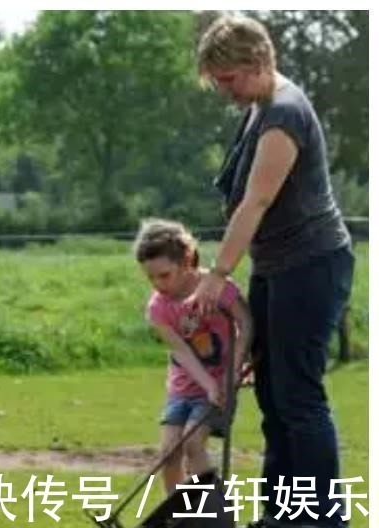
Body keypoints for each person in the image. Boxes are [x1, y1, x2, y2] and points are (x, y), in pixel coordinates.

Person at [191, 14, 355, 526]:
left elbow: (256, 202)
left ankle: (321, 518)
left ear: (257, 61)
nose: (226, 92)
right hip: (277, 267)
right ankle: (283, 513)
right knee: (271, 393)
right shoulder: (259, 108)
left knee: (298, 396)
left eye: (229, 79)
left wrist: (217, 274)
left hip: (310, 266)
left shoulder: (284, 112)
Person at [134, 218, 252, 494]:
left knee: (193, 445)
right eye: (150, 277)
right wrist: (207, 383)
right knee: (168, 453)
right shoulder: (158, 308)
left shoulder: (218, 287)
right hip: (183, 388)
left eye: (164, 275)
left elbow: (246, 324)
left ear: (186, 261)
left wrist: (231, 374)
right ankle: (178, 517)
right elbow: (180, 350)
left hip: (220, 386)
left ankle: (211, 513)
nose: (157, 284)